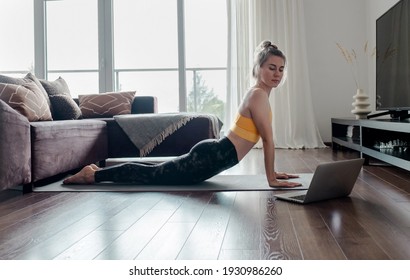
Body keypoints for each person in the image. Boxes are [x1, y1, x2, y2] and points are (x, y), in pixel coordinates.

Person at [63, 40, 301, 188]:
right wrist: (270, 178)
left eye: (281, 69)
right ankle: (91, 176)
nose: (277, 74)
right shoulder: (258, 94)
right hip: (212, 157)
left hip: (214, 154)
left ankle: (97, 172)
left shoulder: (260, 94)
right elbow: (268, 140)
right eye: (271, 68)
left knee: (156, 172)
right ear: (259, 68)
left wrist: (273, 173)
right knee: (153, 175)